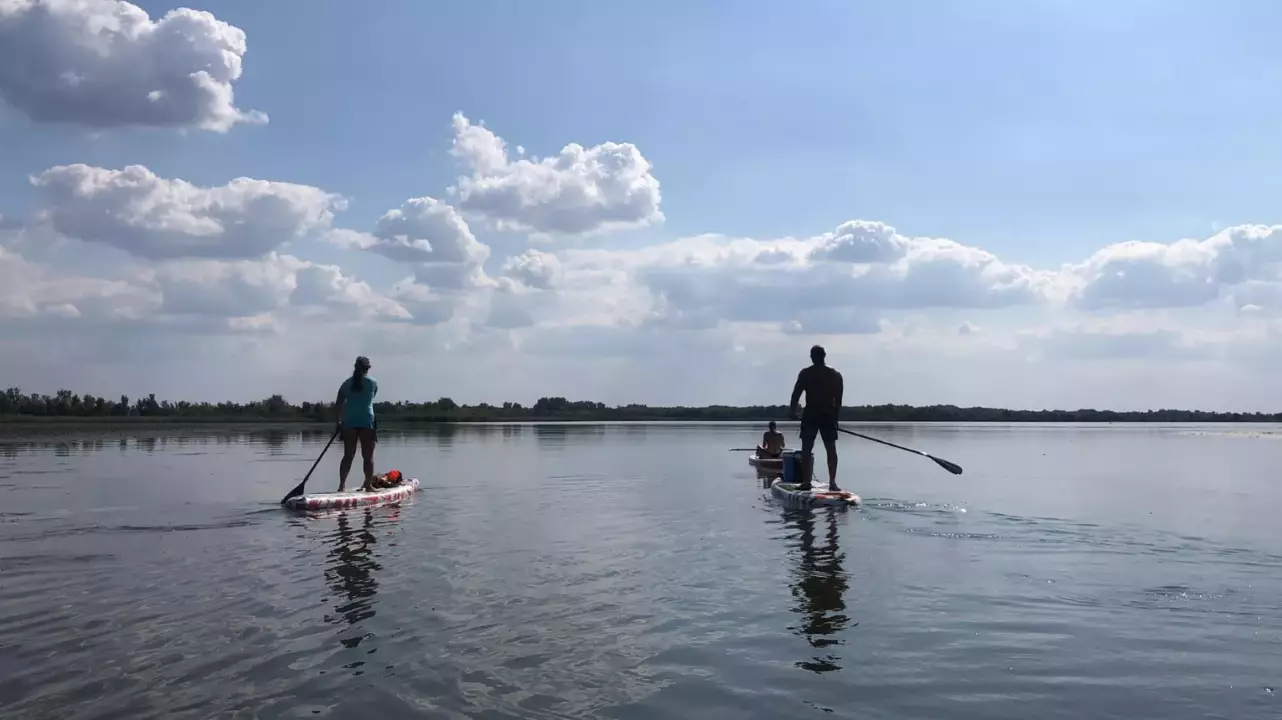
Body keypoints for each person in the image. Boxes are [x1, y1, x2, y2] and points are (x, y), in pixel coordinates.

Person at [788, 345, 843, 492]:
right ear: (824, 356)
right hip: (826, 415)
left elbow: (796, 394)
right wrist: (836, 417)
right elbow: (838, 400)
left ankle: (808, 482)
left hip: (812, 414)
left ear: (813, 357)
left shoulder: (807, 374)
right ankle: (831, 482)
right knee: (829, 448)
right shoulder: (835, 375)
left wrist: (792, 411)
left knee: (808, 449)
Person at [335, 355, 378, 492]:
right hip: (366, 421)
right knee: (368, 456)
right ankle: (368, 484)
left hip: (349, 422)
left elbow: (339, 403)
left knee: (348, 455)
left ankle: (342, 486)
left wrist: (338, 421)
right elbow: (372, 396)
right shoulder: (373, 382)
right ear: (367, 368)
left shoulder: (346, 384)